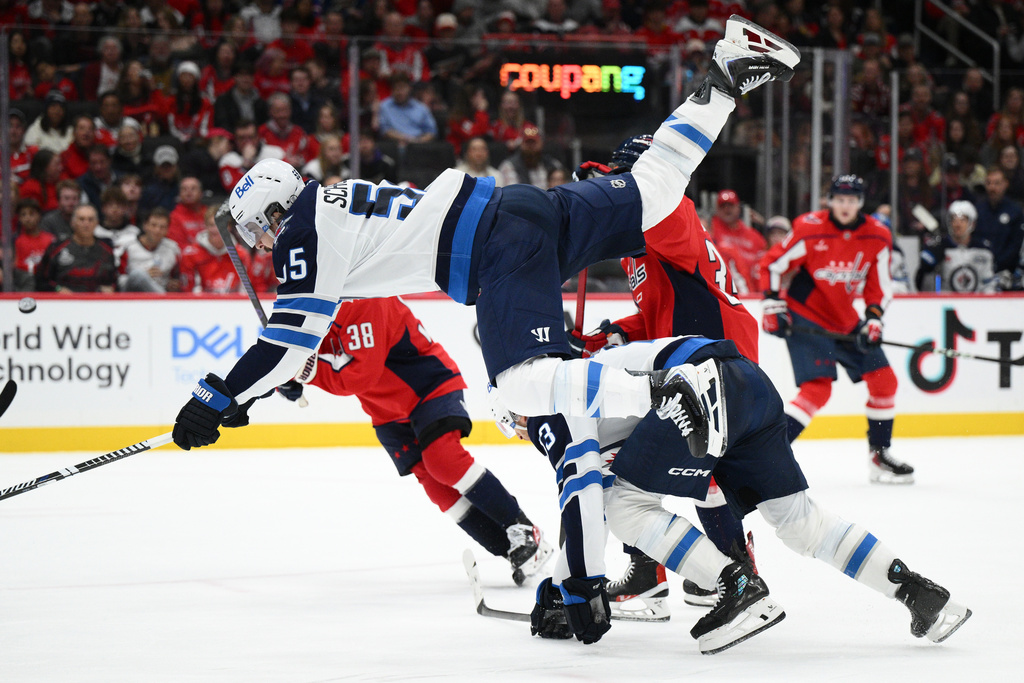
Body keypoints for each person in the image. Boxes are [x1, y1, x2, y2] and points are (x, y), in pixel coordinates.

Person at [168, 18, 800, 501]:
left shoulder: (305, 230)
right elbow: (297, 350)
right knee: (657, 190)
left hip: (495, 250)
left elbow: (287, 341)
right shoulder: (329, 208)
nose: (261, 246)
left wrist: (216, 395)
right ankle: (726, 72)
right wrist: (244, 395)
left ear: (276, 214)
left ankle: (670, 383)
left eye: (258, 231)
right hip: (518, 210)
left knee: (523, 383)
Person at [520, 335, 971, 651]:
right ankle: (915, 591)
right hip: (748, 383)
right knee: (801, 524)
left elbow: (586, 503)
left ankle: (734, 586)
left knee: (625, 505)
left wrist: (569, 590)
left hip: (700, 390)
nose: (522, 432)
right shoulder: (586, 371)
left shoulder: (552, 408)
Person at [569, 133, 761, 615]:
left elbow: (647, 204)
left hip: (713, 356)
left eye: (624, 179)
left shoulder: (671, 212)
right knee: (654, 462)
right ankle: (671, 571)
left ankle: (726, 570)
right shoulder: (643, 240)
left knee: (668, 463)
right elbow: (656, 314)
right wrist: (607, 336)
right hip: (690, 354)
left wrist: (597, 198)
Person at [275, 296, 553, 585]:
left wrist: (305, 372)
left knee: (444, 461)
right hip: (386, 412)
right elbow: (305, 358)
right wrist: (284, 376)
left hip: (429, 387)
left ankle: (523, 529)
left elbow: (360, 375)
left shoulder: (367, 298)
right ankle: (511, 549)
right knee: (437, 489)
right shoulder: (315, 307)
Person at [759, 175, 912, 485]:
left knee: (885, 382)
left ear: (860, 203)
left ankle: (879, 456)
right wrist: (773, 305)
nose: (845, 206)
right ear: (829, 200)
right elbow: (773, 265)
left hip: (844, 320)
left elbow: (878, 286)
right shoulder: (810, 227)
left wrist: (873, 318)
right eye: (839, 200)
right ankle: (767, 459)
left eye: (852, 200)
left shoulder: (877, 235)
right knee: (818, 389)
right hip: (807, 316)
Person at [916, 200, 998, 293]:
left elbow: (989, 285)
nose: (957, 224)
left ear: (972, 224)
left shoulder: (983, 250)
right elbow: (924, 285)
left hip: (976, 303)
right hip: (946, 302)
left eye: (963, 220)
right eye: (954, 219)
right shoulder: (938, 247)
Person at [37, 204, 118, 293]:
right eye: (81, 219)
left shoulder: (107, 249)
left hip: (97, 302)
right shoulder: (57, 248)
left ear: (96, 223)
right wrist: (57, 289)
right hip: (64, 302)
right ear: (73, 223)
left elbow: (114, 282)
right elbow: (41, 281)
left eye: (90, 220)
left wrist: (110, 289)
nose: (86, 224)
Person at [709, 188, 766, 292]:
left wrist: (764, 225)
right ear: (717, 209)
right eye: (723, 206)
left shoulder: (753, 235)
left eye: (730, 205)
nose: (727, 209)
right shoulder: (710, 229)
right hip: (723, 291)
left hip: (753, 293)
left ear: (738, 207)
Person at [119, 207, 181, 293]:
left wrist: (172, 284)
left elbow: (177, 278)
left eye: (162, 227)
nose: (157, 230)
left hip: (160, 291)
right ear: (145, 226)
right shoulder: (128, 246)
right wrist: (144, 277)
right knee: (138, 274)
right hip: (132, 294)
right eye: (153, 225)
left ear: (167, 230)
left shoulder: (173, 249)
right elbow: (119, 279)